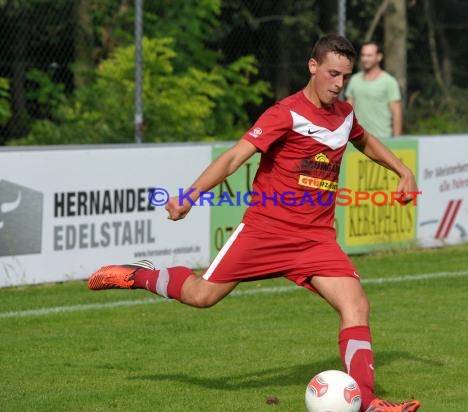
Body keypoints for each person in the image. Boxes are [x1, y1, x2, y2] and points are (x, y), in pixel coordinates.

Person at [87, 34, 421, 412]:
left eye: (345, 76)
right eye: (332, 74)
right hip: (266, 231)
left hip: (315, 240)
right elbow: (234, 159)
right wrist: (190, 196)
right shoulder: (285, 113)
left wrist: (402, 170)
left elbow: (364, 140)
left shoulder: (344, 115)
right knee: (201, 296)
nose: (339, 84)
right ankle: (139, 274)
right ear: (313, 67)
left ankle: (366, 402)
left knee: (356, 306)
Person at [345, 41, 403, 139]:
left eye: (369, 55)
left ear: (379, 57)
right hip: (358, 140)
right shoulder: (354, 80)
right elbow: (348, 110)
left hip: (383, 139)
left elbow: (397, 113)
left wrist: (396, 140)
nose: (365, 59)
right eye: (363, 55)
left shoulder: (389, 81)